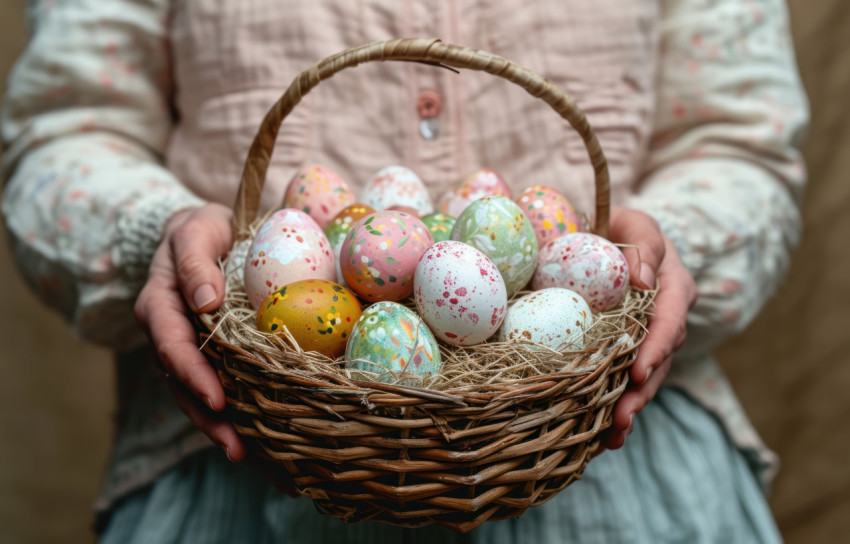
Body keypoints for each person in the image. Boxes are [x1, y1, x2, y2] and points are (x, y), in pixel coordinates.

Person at [2, 0, 807, 542]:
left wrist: (664, 251)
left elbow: (742, 145)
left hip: (618, 464)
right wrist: (160, 231)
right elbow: (61, 134)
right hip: (236, 466)